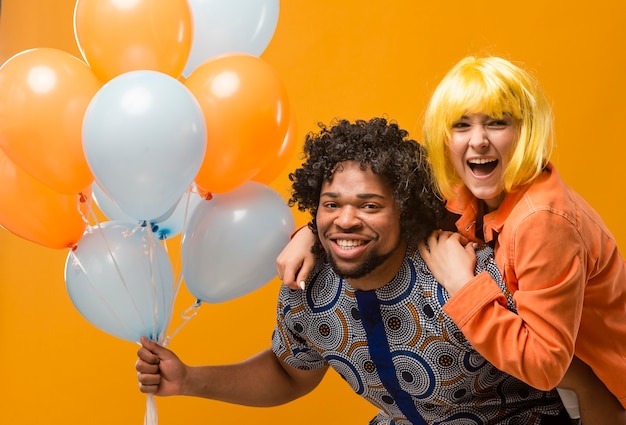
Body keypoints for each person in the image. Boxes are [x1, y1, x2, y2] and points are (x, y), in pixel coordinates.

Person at [137, 117, 572, 424]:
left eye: (369, 205)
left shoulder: (459, 268)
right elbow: (291, 373)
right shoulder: (306, 285)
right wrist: (190, 379)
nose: (345, 221)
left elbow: (570, 365)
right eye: (331, 205)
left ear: (404, 212)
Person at [276, 57, 626, 424]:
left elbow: (545, 366)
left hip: (598, 390)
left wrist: (463, 286)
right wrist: (311, 234)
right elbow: (374, 208)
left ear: (525, 132)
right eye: (462, 125)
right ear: (445, 137)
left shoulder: (542, 220)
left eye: (497, 122)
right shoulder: (472, 191)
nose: (478, 140)